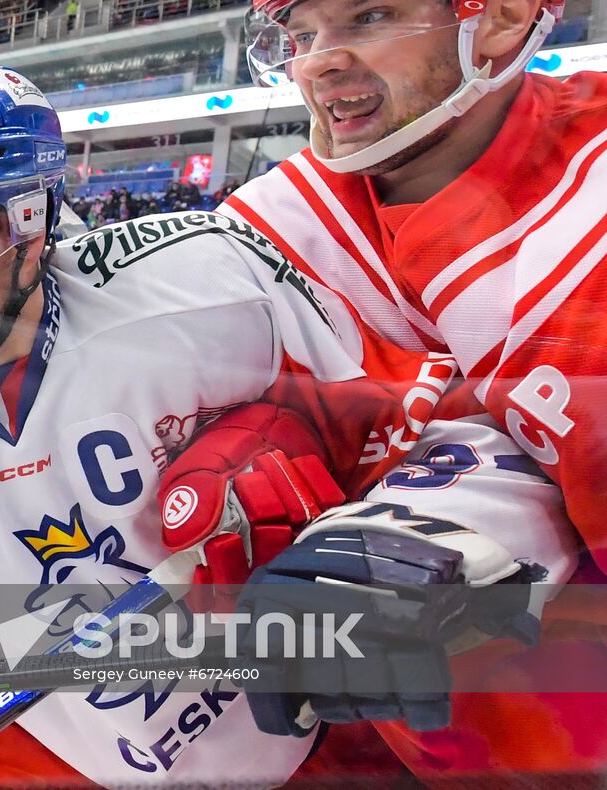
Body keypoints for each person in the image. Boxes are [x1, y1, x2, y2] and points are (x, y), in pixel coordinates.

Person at [0, 67, 576, 787]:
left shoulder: (210, 289)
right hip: (51, 757)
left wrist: (416, 529)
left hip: (327, 731)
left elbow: (442, 426)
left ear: (33, 222)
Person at [216, 0, 607, 777]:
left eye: (370, 17)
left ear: (499, 19)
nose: (316, 62)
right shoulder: (271, 227)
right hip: (380, 741)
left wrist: (468, 516)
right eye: (302, 35)